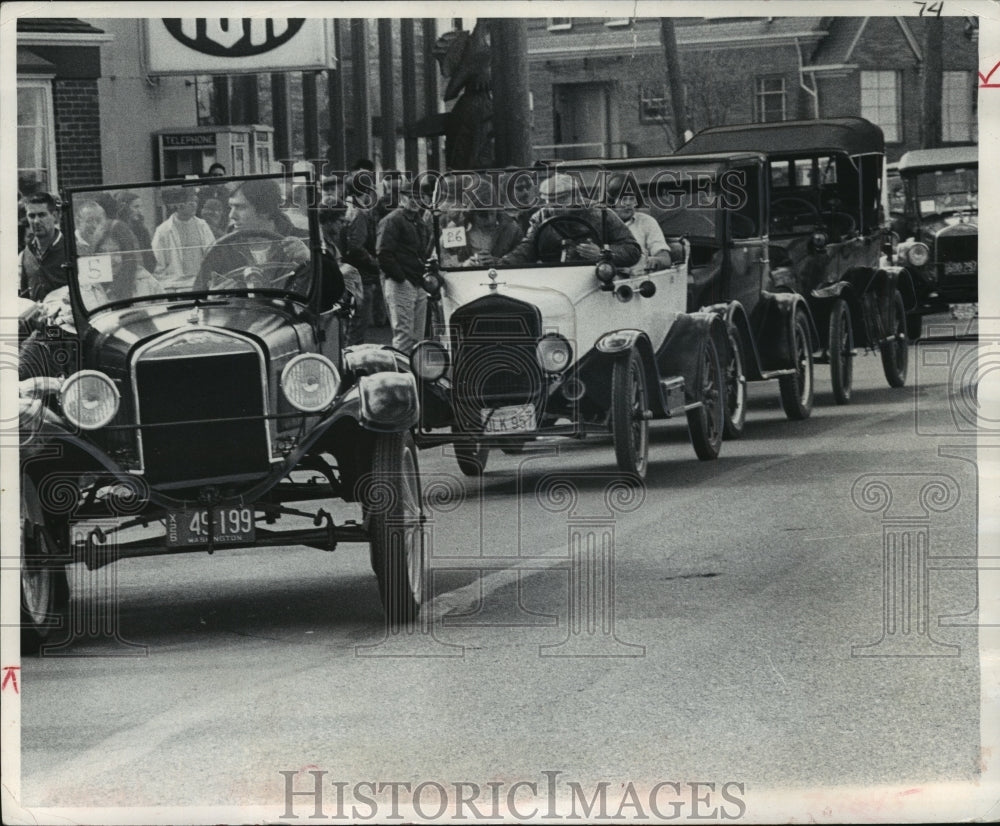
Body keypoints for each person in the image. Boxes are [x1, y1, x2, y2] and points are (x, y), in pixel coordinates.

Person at [198, 178, 315, 293]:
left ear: (265, 210)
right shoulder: (220, 249)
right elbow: (196, 298)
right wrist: (212, 298)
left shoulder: (305, 241)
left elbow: (327, 292)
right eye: (231, 207)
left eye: (240, 207)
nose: (231, 215)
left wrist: (310, 260)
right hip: (237, 312)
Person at [499, 173, 641, 267]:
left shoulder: (601, 214)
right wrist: (502, 264)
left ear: (575, 196)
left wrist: (602, 253)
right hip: (554, 279)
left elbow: (632, 250)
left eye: (561, 200)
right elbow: (527, 248)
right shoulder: (541, 217)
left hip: (594, 280)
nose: (554, 207)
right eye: (550, 202)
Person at [376, 180, 432, 354]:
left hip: (415, 282)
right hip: (401, 282)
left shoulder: (419, 221)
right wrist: (401, 278)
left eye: (418, 197)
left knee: (418, 337)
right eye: (411, 197)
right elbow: (383, 253)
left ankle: (415, 376)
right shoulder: (393, 220)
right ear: (402, 197)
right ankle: (401, 375)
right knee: (404, 336)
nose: (415, 201)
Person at [78, 220, 163, 309]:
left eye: (115, 252)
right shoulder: (85, 278)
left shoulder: (145, 281)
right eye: (102, 252)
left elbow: (163, 313)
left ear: (127, 254)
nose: (109, 259)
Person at [439, 179, 522, 268]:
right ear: (472, 214)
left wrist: (499, 262)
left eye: (492, 213)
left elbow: (523, 260)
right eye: (483, 215)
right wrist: (462, 266)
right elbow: (444, 262)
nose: (490, 220)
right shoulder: (455, 230)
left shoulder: (512, 230)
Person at [151, 186, 216, 291]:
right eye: (190, 202)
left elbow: (213, 255)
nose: (194, 205)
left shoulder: (202, 226)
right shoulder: (163, 231)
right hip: (175, 285)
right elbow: (158, 267)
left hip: (200, 283)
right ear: (178, 205)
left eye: (195, 201)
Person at [608, 178, 675, 275]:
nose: (628, 203)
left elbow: (665, 258)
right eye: (623, 199)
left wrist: (656, 261)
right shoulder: (599, 223)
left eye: (631, 199)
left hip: (637, 281)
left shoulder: (647, 222)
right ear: (611, 202)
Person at [19, 191, 68, 301]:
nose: (36, 221)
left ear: (55, 216)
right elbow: (23, 295)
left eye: (42, 215)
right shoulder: (26, 254)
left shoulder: (72, 250)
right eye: (31, 216)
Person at [113, 190, 157, 272]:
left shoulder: (142, 230)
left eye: (141, 207)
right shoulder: (115, 231)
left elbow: (150, 259)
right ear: (125, 208)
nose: (140, 211)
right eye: (136, 207)